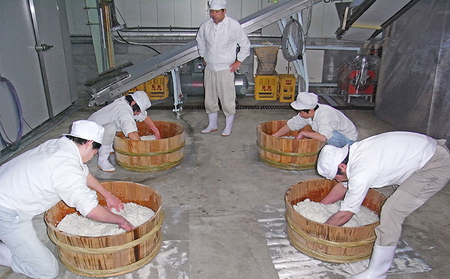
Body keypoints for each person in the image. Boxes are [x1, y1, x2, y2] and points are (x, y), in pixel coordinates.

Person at [0, 120, 134, 279]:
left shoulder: (61, 145)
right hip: (7, 212)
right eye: (95, 151)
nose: (94, 155)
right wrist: (120, 220)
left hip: (7, 192)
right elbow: (91, 210)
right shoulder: (65, 166)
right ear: (89, 143)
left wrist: (107, 195)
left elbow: (83, 172)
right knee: (46, 271)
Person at [316, 131, 450, 279]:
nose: (338, 180)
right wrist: (321, 206)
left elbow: (345, 214)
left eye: (337, 177)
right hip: (425, 151)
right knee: (397, 206)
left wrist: (322, 233)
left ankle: (377, 272)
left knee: (392, 211)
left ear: (341, 166)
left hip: (434, 165)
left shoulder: (362, 171)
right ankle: (390, 234)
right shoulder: (354, 153)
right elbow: (344, 185)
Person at [196, 0, 251, 137]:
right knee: (210, 99)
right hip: (210, 68)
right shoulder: (205, 26)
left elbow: (245, 44)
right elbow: (200, 41)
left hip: (225, 69)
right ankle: (212, 124)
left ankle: (228, 126)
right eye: (212, 12)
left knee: (227, 99)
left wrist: (239, 61)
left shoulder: (233, 25)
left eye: (217, 12)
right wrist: (203, 56)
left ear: (224, 11)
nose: (213, 14)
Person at [88, 91, 161, 172]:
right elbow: (131, 133)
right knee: (111, 128)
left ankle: (107, 147)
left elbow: (144, 117)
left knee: (113, 126)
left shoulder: (128, 102)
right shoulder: (124, 111)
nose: (138, 113)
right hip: (90, 136)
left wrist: (156, 130)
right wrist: (144, 151)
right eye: (138, 110)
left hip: (100, 127)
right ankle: (102, 161)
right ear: (133, 103)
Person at [272, 92, 358, 147]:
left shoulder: (325, 116)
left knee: (330, 136)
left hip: (347, 139)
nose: (300, 114)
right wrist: (274, 136)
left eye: (301, 112)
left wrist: (304, 133)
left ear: (311, 110)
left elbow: (324, 137)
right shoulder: (308, 114)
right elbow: (291, 125)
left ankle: (344, 152)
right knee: (322, 135)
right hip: (334, 134)